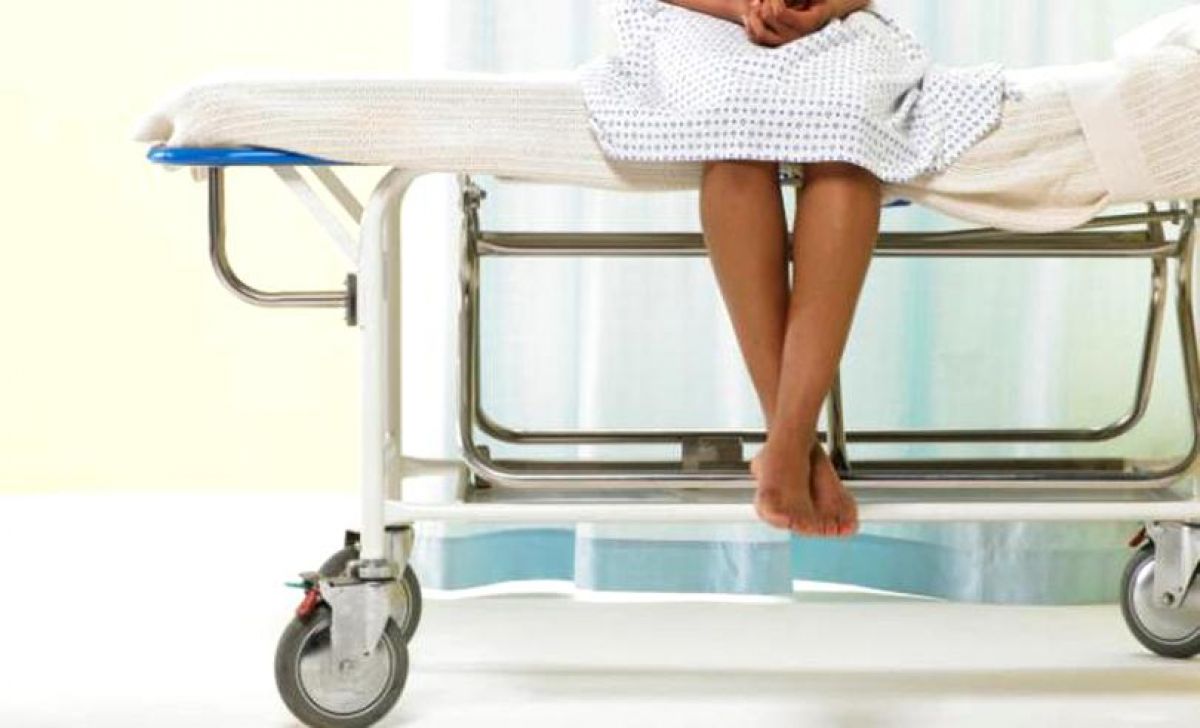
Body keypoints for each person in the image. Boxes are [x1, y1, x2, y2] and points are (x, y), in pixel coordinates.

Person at [579, 0, 1005, 538]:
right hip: (700, 18)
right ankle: (796, 445)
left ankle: (785, 444)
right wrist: (744, 8)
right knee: (733, 126)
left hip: (834, 24)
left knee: (848, 134)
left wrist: (822, 10)